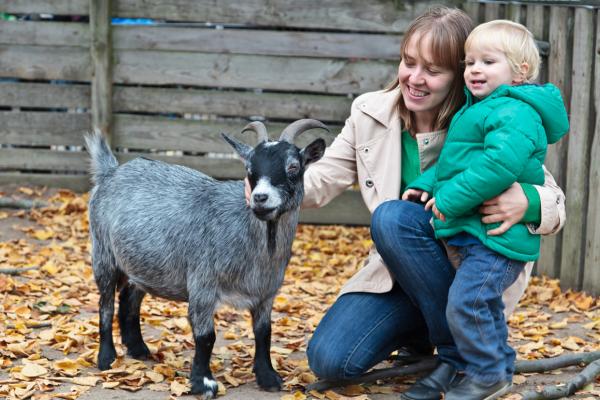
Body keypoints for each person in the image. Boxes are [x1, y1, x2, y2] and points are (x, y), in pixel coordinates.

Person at [246, 6, 565, 399]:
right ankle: (426, 333)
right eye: (408, 62)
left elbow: (552, 197)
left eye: (432, 70)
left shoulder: (488, 116)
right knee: (331, 360)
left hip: (467, 271)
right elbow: (324, 176)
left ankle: (457, 356)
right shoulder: (371, 113)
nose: (415, 78)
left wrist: (529, 201)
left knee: (393, 217)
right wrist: (270, 187)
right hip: (400, 274)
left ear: (457, 74)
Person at [399, 20, 568, 399]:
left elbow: (498, 166)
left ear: (520, 71)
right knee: (479, 305)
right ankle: (497, 367)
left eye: (488, 61)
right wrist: (426, 186)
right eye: (469, 61)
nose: (474, 69)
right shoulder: (480, 108)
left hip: (495, 238)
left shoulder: (514, 111)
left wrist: (449, 199)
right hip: (477, 236)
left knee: (469, 303)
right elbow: (454, 163)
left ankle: (488, 374)